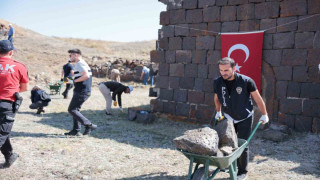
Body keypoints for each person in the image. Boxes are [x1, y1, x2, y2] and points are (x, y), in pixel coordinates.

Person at [213, 57, 269, 180]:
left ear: (233, 68)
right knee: (227, 142)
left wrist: (265, 114)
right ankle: (228, 165)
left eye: (226, 70)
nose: (223, 73)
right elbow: (217, 98)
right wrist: (218, 111)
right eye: (221, 70)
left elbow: (258, 99)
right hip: (228, 116)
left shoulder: (246, 81)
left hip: (245, 117)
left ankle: (242, 171)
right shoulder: (217, 82)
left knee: (242, 144)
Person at [0, 40, 29, 168]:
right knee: (2, 133)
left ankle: (9, 156)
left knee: (3, 132)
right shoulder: (20, 66)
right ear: (11, 52)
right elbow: (23, 88)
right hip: (7, 104)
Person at [64, 49, 97, 136]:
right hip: (82, 90)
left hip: (82, 91)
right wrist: (70, 80)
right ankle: (76, 130)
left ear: (76, 55)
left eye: (70, 55)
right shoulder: (82, 63)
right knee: (76, 110)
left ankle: (89, 125)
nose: (69, 57)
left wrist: (74, 81)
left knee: (72, 110)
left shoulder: (80, 63)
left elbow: (86, 76)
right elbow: (82, 75)